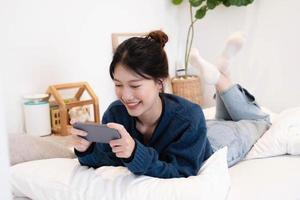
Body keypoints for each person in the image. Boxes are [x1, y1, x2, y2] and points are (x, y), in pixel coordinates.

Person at [72, 30, 270, 178]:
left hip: (213, 147)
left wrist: (134, 152)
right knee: (221, 119)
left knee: (259, 121)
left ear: (160, 82)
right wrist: (86, 149)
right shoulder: (116, 114)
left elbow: (182, 171)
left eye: (135, 85)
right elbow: (106, 159)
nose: (125, 95)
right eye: (118, 85)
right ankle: (222, 72)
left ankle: (220, 76)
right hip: (196, 133)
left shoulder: (189, 116)